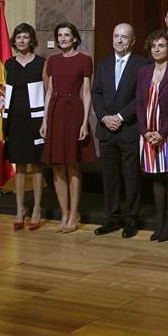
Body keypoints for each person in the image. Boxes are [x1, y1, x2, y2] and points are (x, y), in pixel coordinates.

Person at [91, 23, 149, 239]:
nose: (119, 40)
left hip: (128, 129)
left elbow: (141, 97)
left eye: (124, 37)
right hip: (106, 130)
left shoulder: (142, 65)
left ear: (132, 41)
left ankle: (132, 218)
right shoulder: (104, 64)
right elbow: (96, 93)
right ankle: (112, 217)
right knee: (110, 177)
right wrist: (104, 117)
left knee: (132, 176)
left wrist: (121, 117)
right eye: (116, 36)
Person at [40, 21, 95, 233]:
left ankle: (74, 213)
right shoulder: (52, 61)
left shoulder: (84, 60)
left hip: (74, 113)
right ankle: (63, 213)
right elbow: (49, 91)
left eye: (67, 35)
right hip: (55, 112)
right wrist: (45, 120)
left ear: (74, 38)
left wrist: (84, 122)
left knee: (72, 164)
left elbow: (87, 92)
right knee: (56, 165)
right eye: (60, 35)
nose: (63, 38)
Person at [136, 31, 168, 242]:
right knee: (156, 176)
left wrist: (162, 132)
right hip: (148, 133)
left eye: (161, 46)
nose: (157, 49)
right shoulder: (143, 72)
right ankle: (159, 222)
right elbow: (138, 102)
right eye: (154, 46)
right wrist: (145, 131)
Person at [3, 23, 46, 231]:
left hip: (35, 120)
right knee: (19, 166)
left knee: (36, 165)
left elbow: (47, 92)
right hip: (15, 120)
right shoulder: (9, 64)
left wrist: (45, 122)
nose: (21, 40)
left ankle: (37, 209)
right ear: (14, 40)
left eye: (25, 37)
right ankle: (20, 209)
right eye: (18, 37)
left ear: (32, 40)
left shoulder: (40, 63)